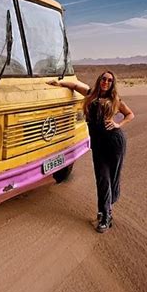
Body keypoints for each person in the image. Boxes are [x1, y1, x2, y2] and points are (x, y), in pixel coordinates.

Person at [48, 71, 134, 233]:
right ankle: (104, 213)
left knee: (111, 177)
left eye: (110, 80)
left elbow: (130, 114)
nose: (106, 82)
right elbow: (74, 85)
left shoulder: (114, 100)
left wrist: (118, 125)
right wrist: (59, 84)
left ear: (112, 83)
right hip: (98, 143)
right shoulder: (90, 94)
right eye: (104, 79)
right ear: (99, 80)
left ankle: (106, 215)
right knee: (102, 178)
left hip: (114, 142)